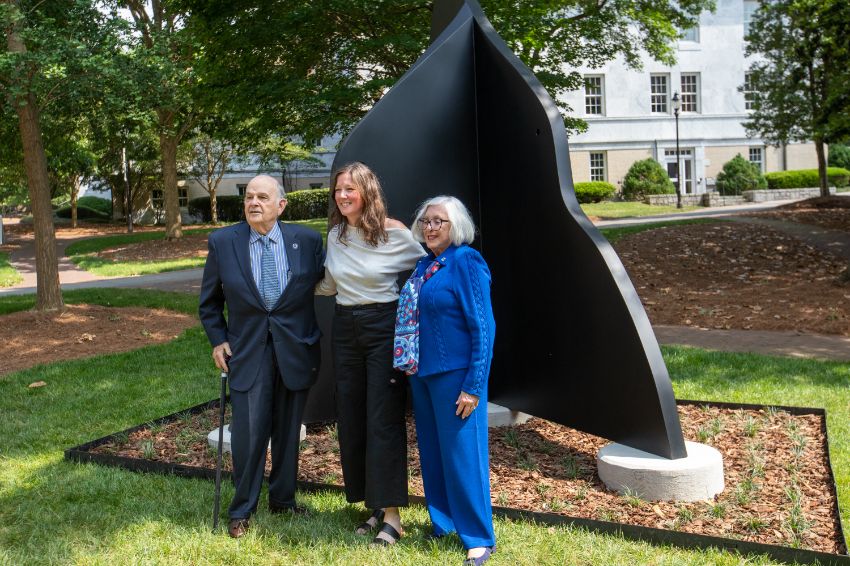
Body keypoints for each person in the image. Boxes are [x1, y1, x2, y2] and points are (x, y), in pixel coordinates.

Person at [199, 174, 325, 538]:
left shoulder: (307, 240)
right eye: (249, 197)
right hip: (247, 349)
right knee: (248, 434)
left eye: (263, 197)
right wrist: (217, 339)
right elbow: (209, 304)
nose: (254, 203)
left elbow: (323, 282)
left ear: (280, 205)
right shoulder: (224, 242)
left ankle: (283, 500)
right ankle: (242, 509)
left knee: (288, 431)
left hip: (294, 349)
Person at [315, 162, 423, 545]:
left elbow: (426, 268)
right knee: (353, 416)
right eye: (338, 189)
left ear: (367, 192)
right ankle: (373, 505)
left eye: (350, 189)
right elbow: (328, 283)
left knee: (383, 418)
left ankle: (393, 516)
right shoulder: (336, 236)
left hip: (384, 327)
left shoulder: (395, 234)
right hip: (345, 328)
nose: (342, 196)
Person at [398, 195, 496, 566]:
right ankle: (443, 522)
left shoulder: (466, 260)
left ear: (457, 226)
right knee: (434, 452)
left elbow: (483, 327)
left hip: (457, 377)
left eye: (439, 221)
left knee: (463, 455)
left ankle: (478, 536)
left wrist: (474, 384)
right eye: (425, 221)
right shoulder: (425, 264)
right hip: (423, 375)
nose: (430, 227)